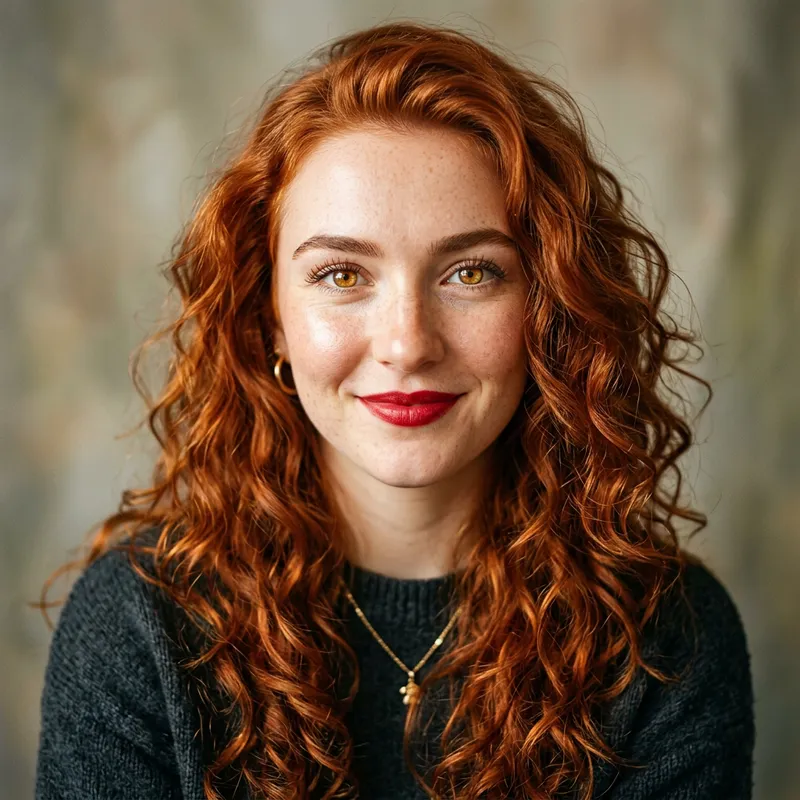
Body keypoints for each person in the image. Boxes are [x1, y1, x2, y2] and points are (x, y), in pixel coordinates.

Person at [34, 20, 755, 800]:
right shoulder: (139, 625)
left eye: (472, 272)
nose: (407, 344)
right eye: (343, 275)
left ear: (550, 309)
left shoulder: (665, 639)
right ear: (269, 313)